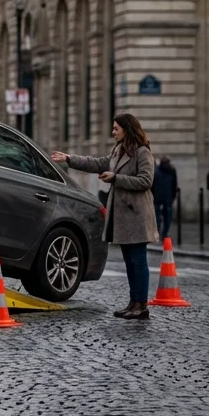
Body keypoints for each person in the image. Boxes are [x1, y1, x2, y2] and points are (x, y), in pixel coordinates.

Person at [51, 113, 159, 320]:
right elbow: (98, 163)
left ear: (127, 129)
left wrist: (116, 178)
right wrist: (69, 159)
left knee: (138, 261)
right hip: (123, 215)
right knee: (129, 261)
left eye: (116, 128)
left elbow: (146, 180)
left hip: (136, 214)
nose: (113, 132)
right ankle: (133, 302)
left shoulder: (143, 152)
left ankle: (141, 305)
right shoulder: (119, 150)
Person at [152, 155, 178, 240]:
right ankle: (164, 234)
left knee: (158, 218)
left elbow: (152, 186)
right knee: (166, 218)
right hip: (166, 199)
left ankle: (159, 234)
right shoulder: (171, 170)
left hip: (159, 199)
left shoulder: (156, 171)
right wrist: (173, 196)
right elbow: (174, 185)